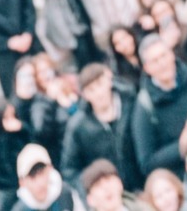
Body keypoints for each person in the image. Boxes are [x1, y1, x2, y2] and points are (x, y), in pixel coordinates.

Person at [132, 35, 187, 177]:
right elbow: (146, 162)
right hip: (181, 178)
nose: (162, 63)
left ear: (172, 55)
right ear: (147, 68)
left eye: (164, 55)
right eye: (155, 61)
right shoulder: (144, 107)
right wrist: (182, 147)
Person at [62, 63, 142, 192]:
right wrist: (94, 189)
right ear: (84, 95)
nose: (98, 94)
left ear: (109, 81)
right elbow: (70, 170)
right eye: (91, 90)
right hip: (108, 195)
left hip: (142, 185)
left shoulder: (132, 103)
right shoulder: (78, 126)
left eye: (99, 85)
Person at [12, 144, 86, 211]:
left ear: (51, 169)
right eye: (32, 177)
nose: (40, 182)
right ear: (22, 183)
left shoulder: (66, 194)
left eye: (42, 173)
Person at [82, 161, 149, 211]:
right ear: (90, 200)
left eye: (109, 181)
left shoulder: (143, 208)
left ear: (120, 183)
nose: (106, 188)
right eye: (98, 186)